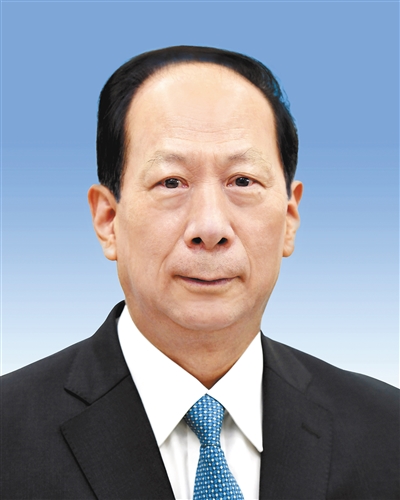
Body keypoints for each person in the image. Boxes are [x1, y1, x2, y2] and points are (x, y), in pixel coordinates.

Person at [1, 46, 398, 500]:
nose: (210, 228)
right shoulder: (9, 435)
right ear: (108, 220)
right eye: (171, 182)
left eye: (242, 181)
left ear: (290, 219)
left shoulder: (386, 431)